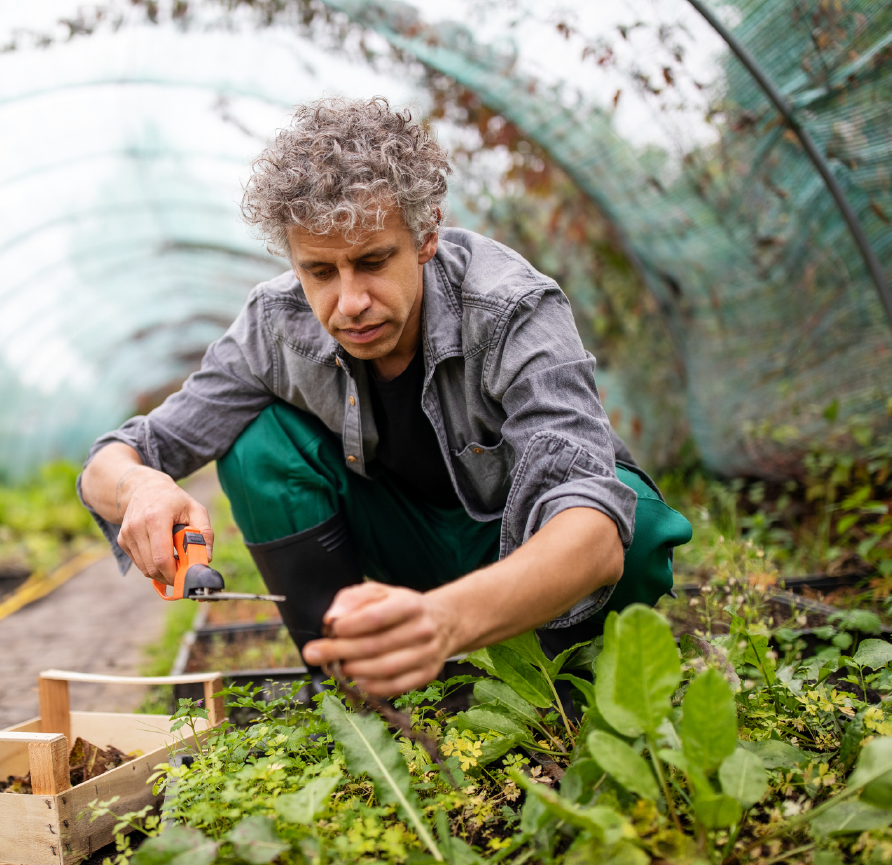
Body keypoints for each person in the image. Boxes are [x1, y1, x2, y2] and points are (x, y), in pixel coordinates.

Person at [79, 98, 691, 696]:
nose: (350, 302)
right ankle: (355, 683)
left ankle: (569, 684)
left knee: (625, 520)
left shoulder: (510, 308)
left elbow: (592, 528)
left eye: (372, 261)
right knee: (258, 443)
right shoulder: (276, 325)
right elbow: (114, 460)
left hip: (520, 545)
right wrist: (140, 488)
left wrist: (446, 620)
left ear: (426, 235)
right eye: (320, 271)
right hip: (407, 546)